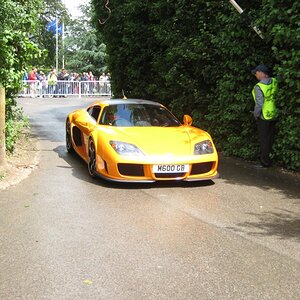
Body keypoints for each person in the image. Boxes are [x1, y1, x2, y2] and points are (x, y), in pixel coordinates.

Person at [251, 64, 278, 168]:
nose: (255, 75)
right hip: (273, 113)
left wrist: (255, 115)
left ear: (261, 73)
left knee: (264, 139)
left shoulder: (259, 87)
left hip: (263, 116)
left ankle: (264, 162)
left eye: (256, 73)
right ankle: (268, 160)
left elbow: (259, 104)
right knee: (270, 138)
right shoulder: (274, 81)